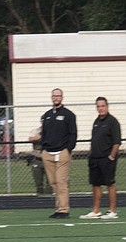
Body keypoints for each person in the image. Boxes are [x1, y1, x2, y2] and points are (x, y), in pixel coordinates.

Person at [80, 97, 120, 220]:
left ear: (107, 106)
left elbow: (117, 142)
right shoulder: (96, 121)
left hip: (107, 159)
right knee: (95, 184)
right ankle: (96, 210)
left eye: (102, 106)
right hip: (95, 158)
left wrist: (111, 157)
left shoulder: (112, 122)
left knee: (109, 184)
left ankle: (112, 211)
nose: (100, 108)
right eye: (98, 106)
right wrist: (91, 154)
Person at [39, 88, 77, 218]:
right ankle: (58, 207)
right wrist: (43, 149)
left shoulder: (69, 115)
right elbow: (43, 133)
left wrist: (68, 149)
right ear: (51, 97)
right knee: (53, 182)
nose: (56, 97)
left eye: (58, 95)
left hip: (62, 152)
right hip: (48, 153)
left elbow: (73, 134)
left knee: (61, 181)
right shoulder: (47, 115)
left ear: (62, 97)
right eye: (54, 95)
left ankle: (64, 209)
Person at [26, 125, 52, 196]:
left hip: (49, 158)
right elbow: (31, 138)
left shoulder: (52, 130)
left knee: (50, 180)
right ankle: (39, 194)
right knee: (38, 180)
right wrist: (42, 137)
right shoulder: (36, 131)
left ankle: (49, 195)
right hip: (37, 158)